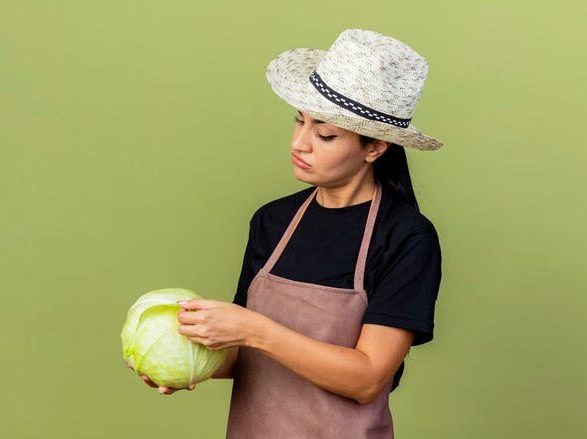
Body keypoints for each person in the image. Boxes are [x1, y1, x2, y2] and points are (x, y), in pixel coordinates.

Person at [134, 28, 443, 438]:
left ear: (375, 148)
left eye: (325, 134)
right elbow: (248, 355)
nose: (299, 143)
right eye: (299, 121)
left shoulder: (406, 237)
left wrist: (253, 329)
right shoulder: (272, 221)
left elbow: (367, 379)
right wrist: (186, 361)